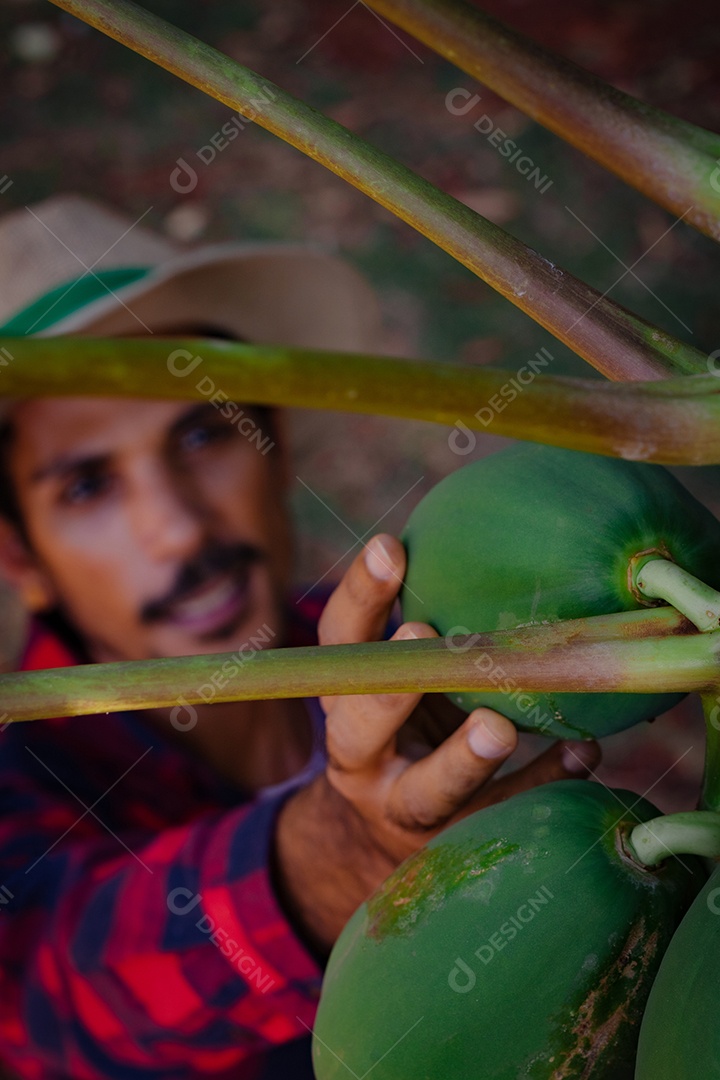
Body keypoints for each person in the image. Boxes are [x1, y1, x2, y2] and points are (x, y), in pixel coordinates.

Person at [0, 194, 600, 1079]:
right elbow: (50, 993)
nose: (178, 530)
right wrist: (347, 851)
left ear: (272, 439)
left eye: (204, 431)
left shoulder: (408, 641)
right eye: (87, 489)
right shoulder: (21, 778)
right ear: (21, 555)